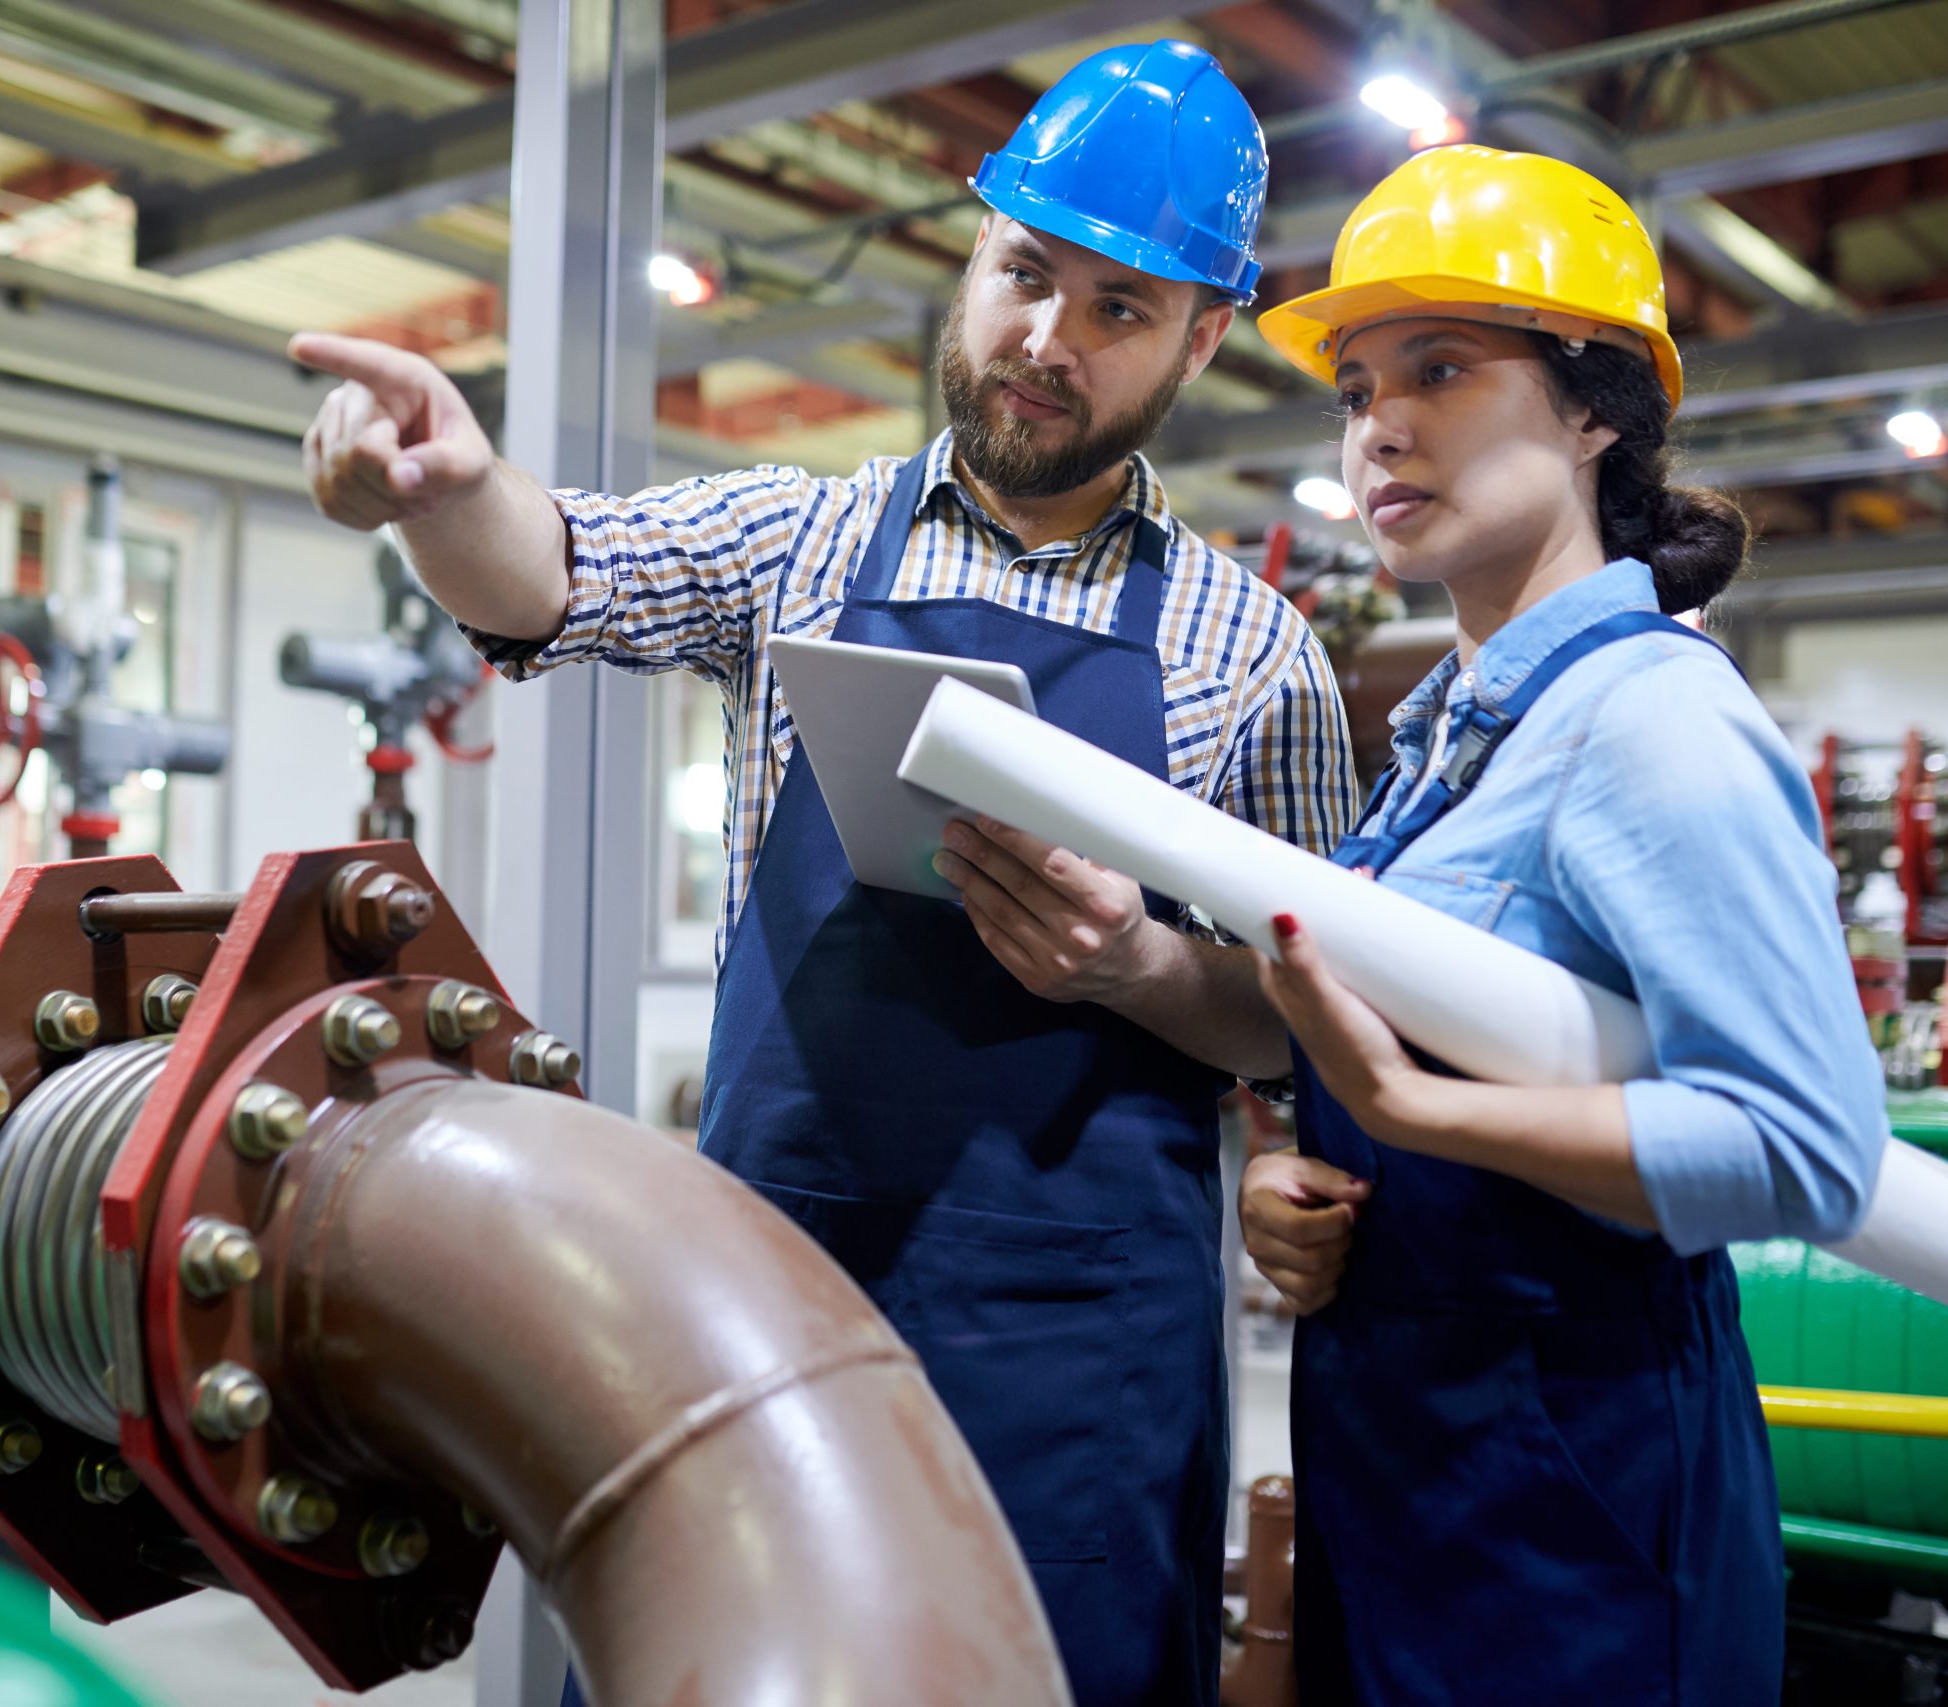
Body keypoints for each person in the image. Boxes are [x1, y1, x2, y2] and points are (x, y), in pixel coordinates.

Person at [295, 40, 1358, 1706]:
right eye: (1027, 275)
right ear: (974, 253)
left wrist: (1140, 973)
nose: (1043, 342)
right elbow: (557, 572)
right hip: (767, 1304)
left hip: (1082, 1360)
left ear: (1205, 337)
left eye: (1119, 311)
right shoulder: (803, 546)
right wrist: (447, 488)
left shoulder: (1255, 652)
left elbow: (1308, 1018)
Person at [1236, 144, 1889, 1703]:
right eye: (1352, 385)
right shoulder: (1458, 742)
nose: (1377, 424)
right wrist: (1296, 1176)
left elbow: (1807, 1148)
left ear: (1597, 407)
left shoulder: (1651, 722)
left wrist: (1414, 1109)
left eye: (1442, 368)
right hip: (1412, 1478)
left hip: (1574, 1513)